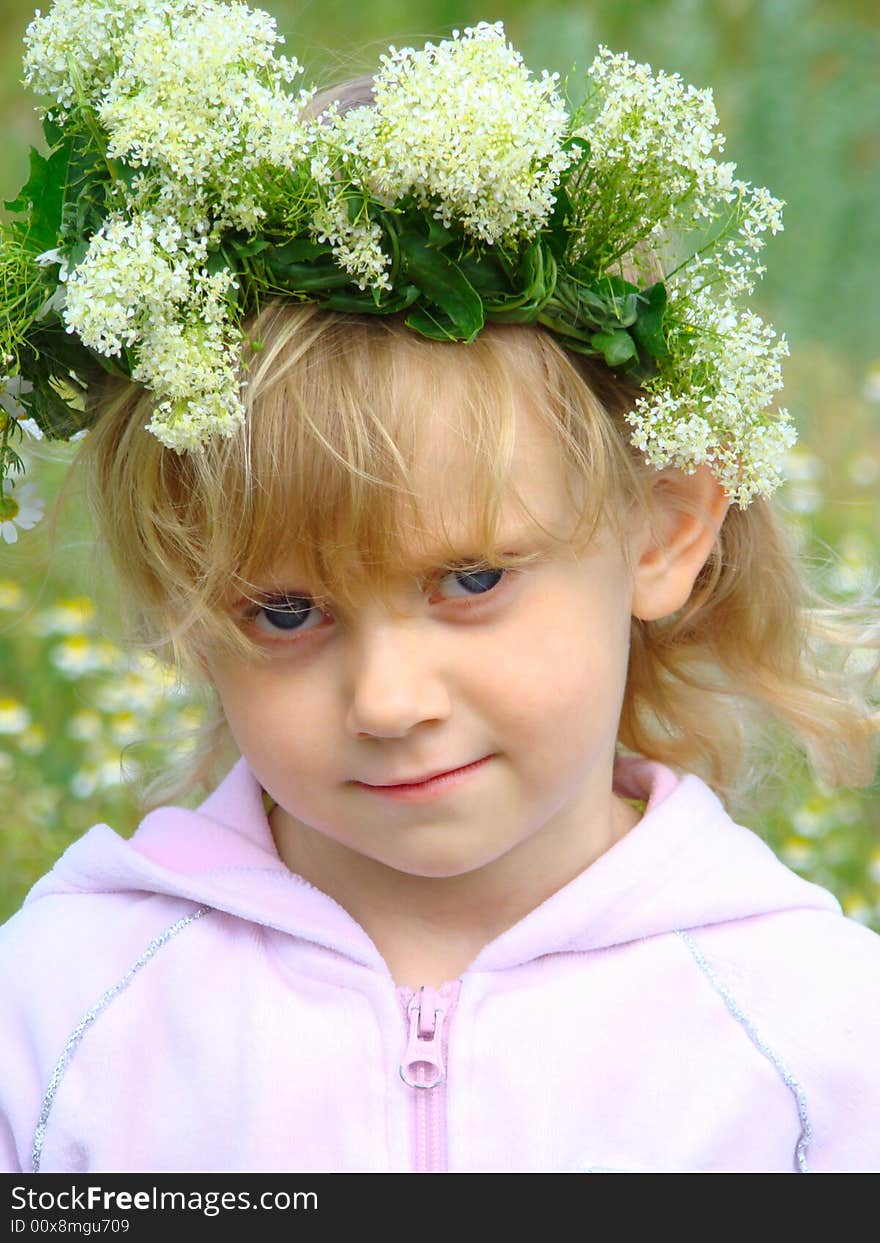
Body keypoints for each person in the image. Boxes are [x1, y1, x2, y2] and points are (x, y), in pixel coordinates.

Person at [0, 1, 878, 1174]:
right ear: (188, 606)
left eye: (469, 578)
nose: (388, 700)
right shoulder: (61, 1018)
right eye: (286, 611)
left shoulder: (812, 1041)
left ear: (665, 532)